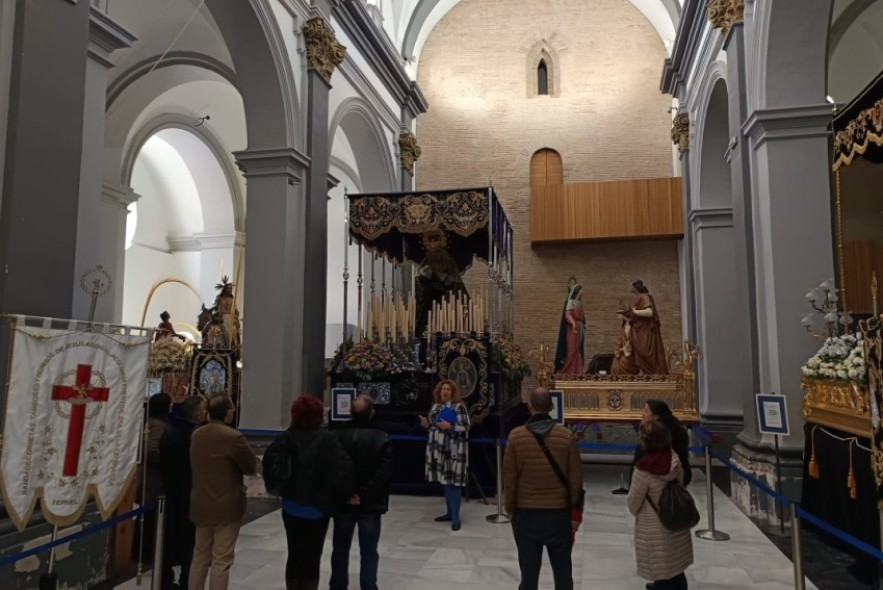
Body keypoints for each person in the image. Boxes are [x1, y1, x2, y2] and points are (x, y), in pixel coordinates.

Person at [264, 395, 354, 590]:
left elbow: (269, 464)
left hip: (292, 506)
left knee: (294, 555)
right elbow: (344, 471)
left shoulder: (286, 438)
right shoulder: (329, 439)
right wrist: (338, 497)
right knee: (313, 557)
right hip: (318, 508)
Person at [503, 387, 582, 590]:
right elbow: (575, 479)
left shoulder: (516, 437)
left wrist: (511, 509)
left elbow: (510, 480)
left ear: (529, 407)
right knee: (563, 573)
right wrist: (572, 509)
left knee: (528, 575)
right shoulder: (566, 437)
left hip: (526, 514)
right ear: (552, 407)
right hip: (558, 515)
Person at [188, 395, 257, 590]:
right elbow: (250, 466)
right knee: (221, 560)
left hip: (200, 502)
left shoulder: (197, 435)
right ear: (227, 413)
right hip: (226, 505)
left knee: (199, 557)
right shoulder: (233, 437)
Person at [330, 395, 393, 590]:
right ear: (372, 412)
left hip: (343, 502)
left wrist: (349, 493)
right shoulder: (382, 437)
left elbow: (334, 468)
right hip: (370, 503)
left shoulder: (336, 435)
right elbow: (384, 473)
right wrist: (363, 494)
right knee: (369, 550)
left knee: (340, 548)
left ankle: (338, 585)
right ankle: (368, 586)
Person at [627, 420, 693, 590]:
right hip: (675, 520)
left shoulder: (643, 470)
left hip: (653, 526)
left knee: (661, 572)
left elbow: (633, 503)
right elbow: (680, 482)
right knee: (677, 570)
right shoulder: (674, 458)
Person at [159, 395, 208, 590]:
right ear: (197, 413)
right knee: (190, 542)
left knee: (169, 538)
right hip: (190, 492)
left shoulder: (169, 431)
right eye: (203, 409)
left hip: (170, 490)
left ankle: (164, 579)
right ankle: (187, 581)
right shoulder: (196, 435)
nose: (205, 413)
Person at [418, 379, 470, 530]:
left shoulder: (459, 406)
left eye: (448, 389)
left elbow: (466, 426)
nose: (444, 392)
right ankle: (449, 512)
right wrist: (427, 425)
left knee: (454, 481)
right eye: (442, 389)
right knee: (445, 481)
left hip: (454, 447)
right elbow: (434, 427)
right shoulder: (436, 406)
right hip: (438, 448)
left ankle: (455, 518)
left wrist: (451, 426)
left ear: (453, 392)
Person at [135, 393, 172, 563]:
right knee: (150, 518)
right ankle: (146, 551)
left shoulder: (154, 423)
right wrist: (167, 460)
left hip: (151, 478)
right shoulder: (157, 425)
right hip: (153, 478)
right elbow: (151, 450)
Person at [634, 400, 692, 488]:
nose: (643, 415)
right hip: (679, 477)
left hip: (656, 481)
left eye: (646, 411)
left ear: (655, 416)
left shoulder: (653, 434)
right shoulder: (677, 427)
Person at [621, 279, 669, 374]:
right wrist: (627, 314)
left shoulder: (645, 297)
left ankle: (652, 375)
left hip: (645, 333)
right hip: (638, 332)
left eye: (631, 286)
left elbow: (650, 312)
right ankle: (643, 374)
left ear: (636, 287)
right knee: (639, 354)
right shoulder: (639, 298)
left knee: (646, 353)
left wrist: (634, 311)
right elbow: (636, 316)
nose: (630, 288)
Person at [555, 283, 585, 375]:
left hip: (579, 329)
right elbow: (568, 315)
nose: (583, 292)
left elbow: (582, 317)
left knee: (578, 350)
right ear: (577, 292)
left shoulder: (579, 302)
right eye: (581, 290)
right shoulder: (570, 302)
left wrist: (583, 324)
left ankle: (576, 371)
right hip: (572, 329)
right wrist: (573, 324)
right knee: (571, 350)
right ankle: (566, 372)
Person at [611, 308, 638, 375]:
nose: (618, 317)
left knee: (625, 362)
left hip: (629, 352)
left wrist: (623, 350)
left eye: (619, 315)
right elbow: (620, 340)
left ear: (623, 315)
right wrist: (617, 349)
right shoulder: (624, 326)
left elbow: (632, 341)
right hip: (622, 351)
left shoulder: (632, 327)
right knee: (615, 364)